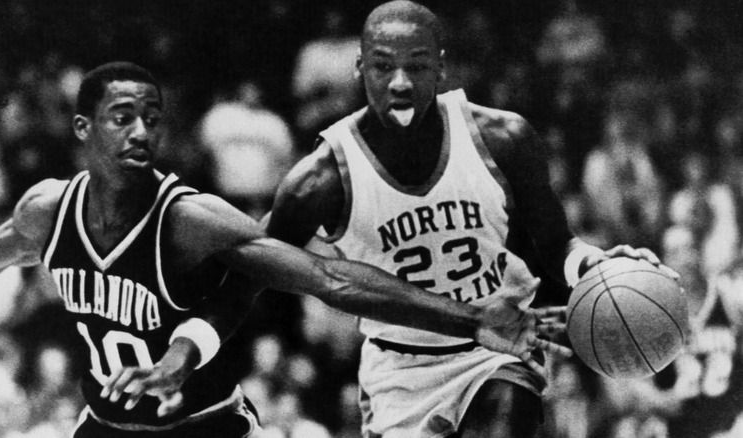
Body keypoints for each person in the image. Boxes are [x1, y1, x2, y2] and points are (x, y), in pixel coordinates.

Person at [0, 62, 570, 438]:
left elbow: (329, 278)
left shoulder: (188, 220)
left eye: (152, 118)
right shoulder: (46, 211)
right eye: (123, 117)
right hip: (104, 427)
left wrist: (469, 319)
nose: (142, 131)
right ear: (83, 130)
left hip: (206, 427)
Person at [265, 2, 676, 437]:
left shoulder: (503, 137)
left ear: (441, 68)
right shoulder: (322, 177)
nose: (400, 82)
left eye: (417, 66)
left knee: (507, 403)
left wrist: (588, 264)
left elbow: (557, 244)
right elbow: (257, 263)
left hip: (500, 345)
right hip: (400, 367)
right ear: (360, 68)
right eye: (383, 67)